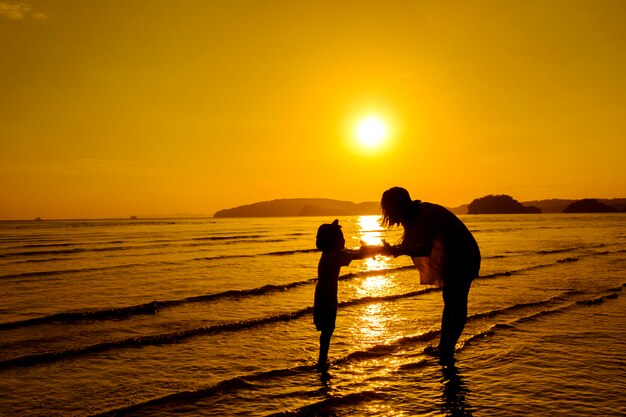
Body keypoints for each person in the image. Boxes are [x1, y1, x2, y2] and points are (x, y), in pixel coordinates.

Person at [380, 187, 481, 365]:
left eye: (389, 209)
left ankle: (447, 349)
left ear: (399, 205)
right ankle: (444, 346)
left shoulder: (425, 214)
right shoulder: (412, 215)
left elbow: (423, 248)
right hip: (451, 256)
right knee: (449, 300)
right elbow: (406, 244)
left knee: (457, 301)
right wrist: (388, 250)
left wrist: (395, 250)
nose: (388, 215)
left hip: (464, 255)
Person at [314, 219, 384, 370]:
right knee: (328, 330)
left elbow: (352, 253)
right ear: (332, 241)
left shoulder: (330, 254)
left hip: (323, 295)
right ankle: (322, 361)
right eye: (340, 237)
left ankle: (322, 359)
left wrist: (368, 250)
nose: (344, 240)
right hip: (326, 298)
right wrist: (374, 251)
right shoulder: (333, 256)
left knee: (327, 330)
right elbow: (354, 255)